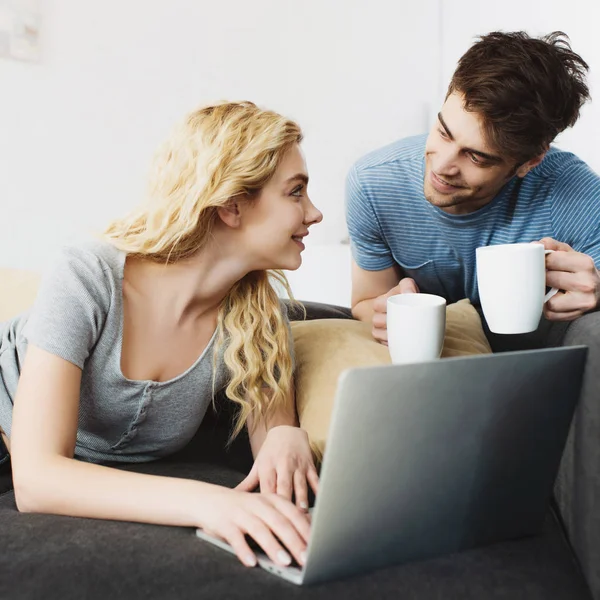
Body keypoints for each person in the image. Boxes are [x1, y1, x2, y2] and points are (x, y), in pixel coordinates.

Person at [0, 101, 323, 569]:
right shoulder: (87, 275)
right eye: (296, 192)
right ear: (231, 205)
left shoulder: (257, 315)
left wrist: (288, 436)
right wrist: (211, 502)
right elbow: (37, 479)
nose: (314, 213)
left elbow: (273, 435)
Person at [346, 31, 600, 344]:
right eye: (443, 132)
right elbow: (365, 303)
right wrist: (385, 313)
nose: (441, 166)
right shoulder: (375, 183)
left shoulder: (575, 193)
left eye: (476, 157)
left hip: (535, 359)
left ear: (529, 162)